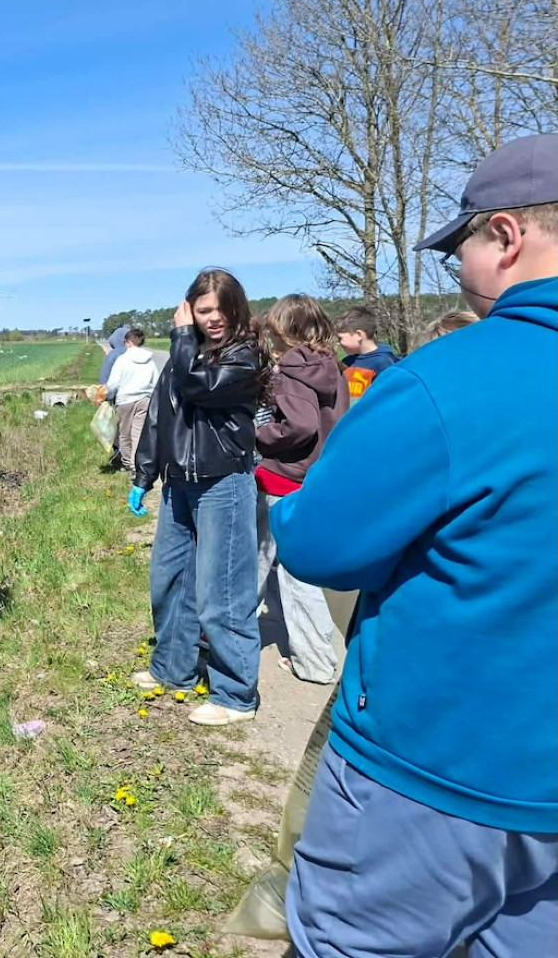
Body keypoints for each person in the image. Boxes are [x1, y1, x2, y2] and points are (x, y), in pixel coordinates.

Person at [272, 133, 558, 956]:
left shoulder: (444, 381)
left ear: (506, 235)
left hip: (441, 775)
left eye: (460, 246)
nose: (456, 270)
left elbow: (321, 546)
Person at [128, 267, 264, 727]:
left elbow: (198, 387)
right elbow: (157, 417)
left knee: (221, 590)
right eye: (203, 310)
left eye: (221, 309)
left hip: (223, 481)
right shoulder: (184, 356)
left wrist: (182, 335)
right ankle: (172, 670)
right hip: (178, 484)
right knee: (170, 581)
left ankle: (234, 694)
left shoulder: (244, 356)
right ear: (191, 309)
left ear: (236, 309)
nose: (214, 318)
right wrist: (143, 474)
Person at [254, 295, 348, 685]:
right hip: (314, 477)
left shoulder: (290, 372)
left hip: (281, 477)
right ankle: (309, 648)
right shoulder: (332, 368)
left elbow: (301, 425)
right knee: (295, 566)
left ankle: (313, 662)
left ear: (285, 332)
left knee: (262, 562)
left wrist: (260, 435)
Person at [105, 327, 159, 471]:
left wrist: (108, 396)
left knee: (125, 435)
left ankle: (128, 464)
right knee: (138, 435)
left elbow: (113, 384)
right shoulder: (150, 361)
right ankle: (137, 465)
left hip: (125, 402)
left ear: (128, 342)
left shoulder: (122, 360)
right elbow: (156, 383)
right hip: (144, 401)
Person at [335, 306, 400, 401]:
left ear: (359, 335)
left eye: (340, 338)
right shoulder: (347, 362)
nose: (338, 343)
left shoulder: (383, 362)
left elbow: (391, 397)